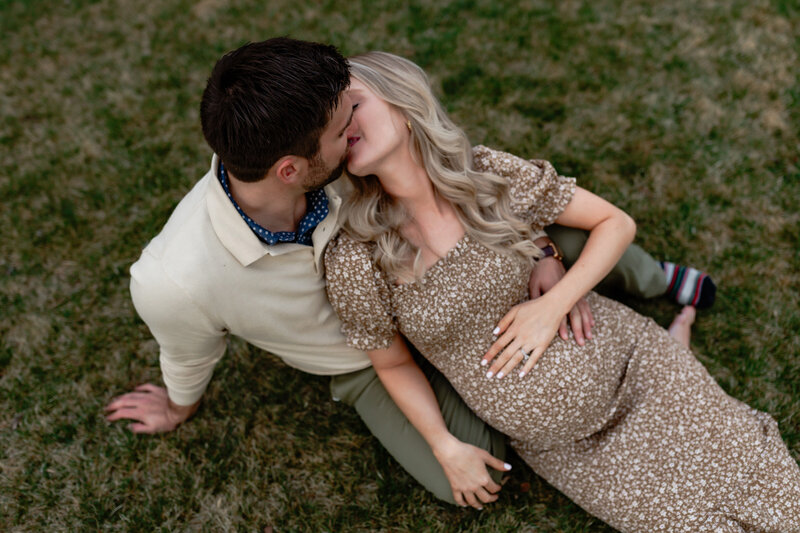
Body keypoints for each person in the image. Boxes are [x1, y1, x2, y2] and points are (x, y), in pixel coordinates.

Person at [104, 37, 713, 510]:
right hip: (364, 356)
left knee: (572, 229)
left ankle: (655, 280)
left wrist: (545, 255)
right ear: (291, 170)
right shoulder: (175, 278)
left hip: (456, 274)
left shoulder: (317, 135)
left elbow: (477, 196)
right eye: (344, 130)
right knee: (471, 473)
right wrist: (179, 406)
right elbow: (188, 352)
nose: (355, 128)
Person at [323, 51, 800, 531]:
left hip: (634, 369)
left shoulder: (485, 173)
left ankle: (677, 355)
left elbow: (616, 222)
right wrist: (443, 445)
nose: (342, 127)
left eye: (353, 107)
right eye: (331, 124)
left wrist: (554, 301)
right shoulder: (357, 256)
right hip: (574, 450)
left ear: (403, 103)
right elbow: (392, 362)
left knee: (775, 494)